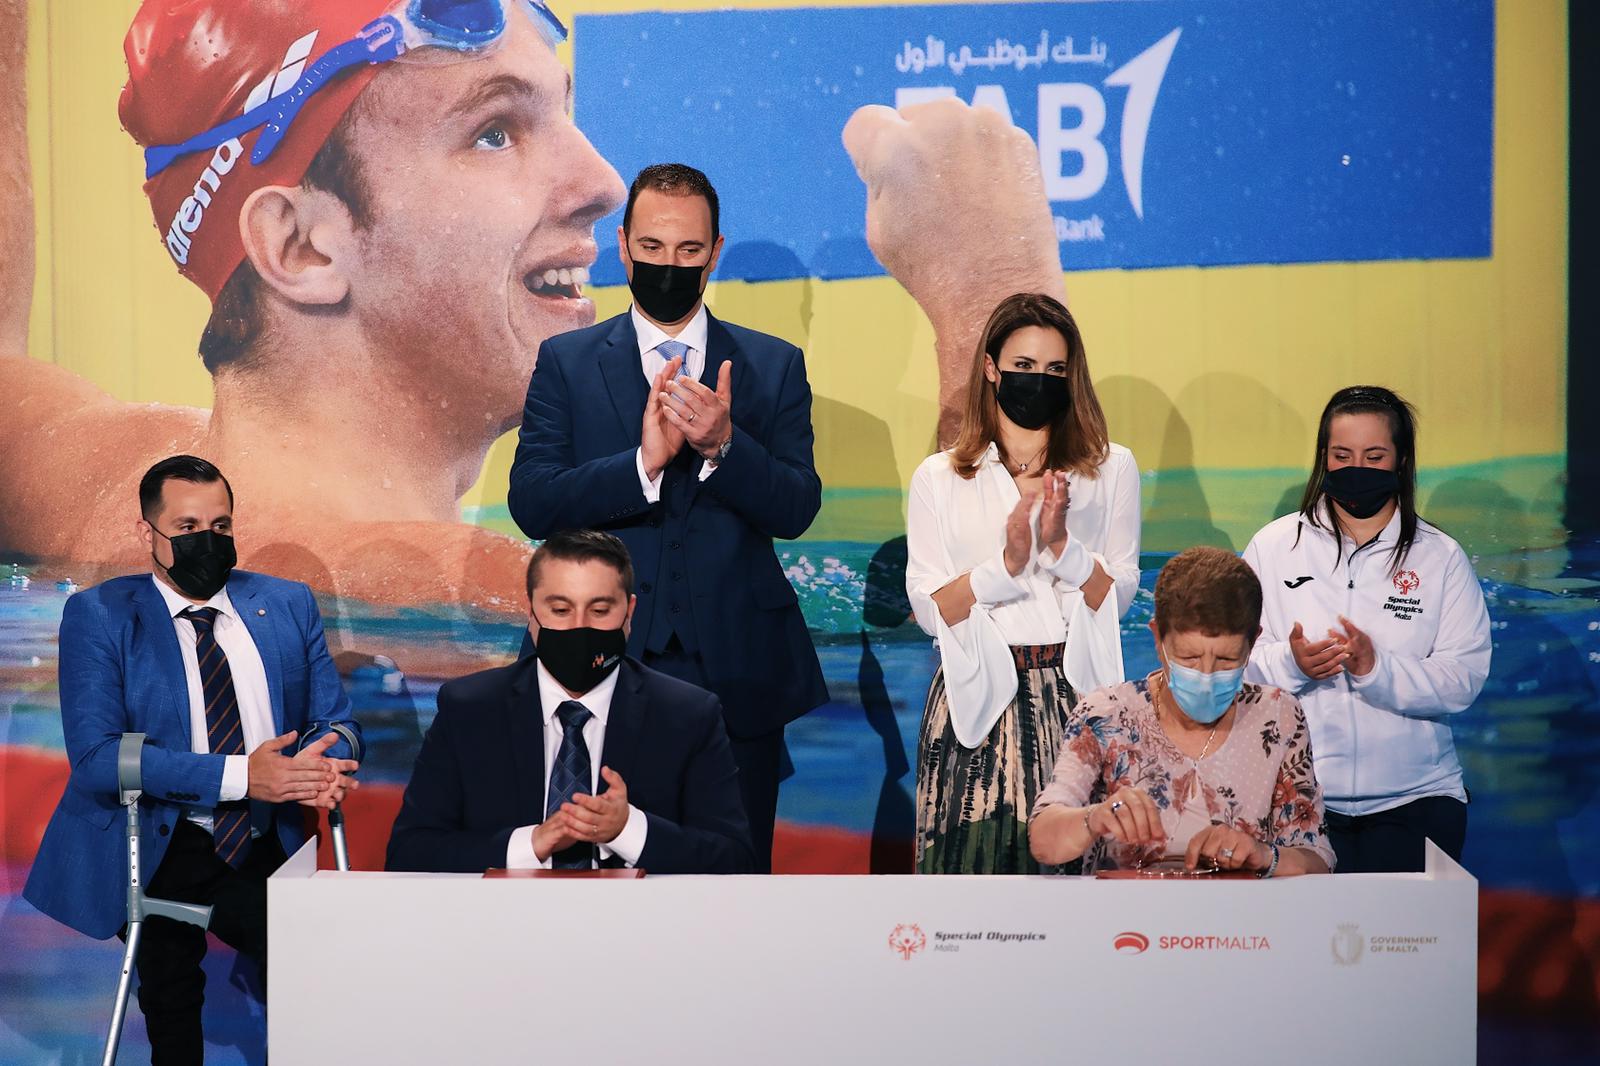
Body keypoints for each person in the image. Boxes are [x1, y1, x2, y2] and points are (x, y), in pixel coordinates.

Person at [0, 0, 1074, 613]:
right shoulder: (445, 589)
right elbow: (1015, 648)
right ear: (302, 245)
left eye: (563, 113)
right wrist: (993, 286)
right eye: (495, 131)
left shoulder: (92, 471)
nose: (605, 180)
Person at [507, 164, 827, 873]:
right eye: (652, 248)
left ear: (715, 252)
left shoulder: (773, 368)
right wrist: (642, 467)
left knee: (732, 885)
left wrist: (725, 446)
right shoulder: (566, 361)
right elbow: (532, 500)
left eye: (688, 252)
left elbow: (798, 507)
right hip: (597, 669)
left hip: (739, 678)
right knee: (595, 889)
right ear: (622, 246)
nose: (669, 266)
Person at [23, 455, 361, 1065]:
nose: (209, 540)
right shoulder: (101, 614)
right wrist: (243, 775)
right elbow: (98, 759)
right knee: (173, 1007)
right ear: (146, 533)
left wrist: (328, 759)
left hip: (263, 837)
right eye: (186, 528)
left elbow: (337, 721)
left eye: (222, 525)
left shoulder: (286, 603)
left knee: (322, 975)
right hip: (157, 836)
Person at [905, 292, 1140, 874]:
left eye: (1056, 370)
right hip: (975, 704)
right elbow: (931, 608)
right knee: (968, 888)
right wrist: (1003, 570)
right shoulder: (940, 477)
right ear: (991, 368)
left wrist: (1061, 550)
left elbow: (1120, 594)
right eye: (1025, 368)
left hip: (1076, 699)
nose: (1040, 381)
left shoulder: (1111, 469)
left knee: (1078, 891)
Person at [386, 530, 754, 874]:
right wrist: (531, 845)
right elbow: (410, 853)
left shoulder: (687, 714)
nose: (580, 627)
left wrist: (627, 830)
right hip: (502, 927)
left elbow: (736, 861)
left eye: (599, 610)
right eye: (560, 611)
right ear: (531, 613)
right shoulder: (469, 708)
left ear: (629, 613)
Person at [1242, 386, 1491, 872]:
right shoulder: (1273, 547)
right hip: (1296, 800)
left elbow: (1463, 678)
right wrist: (1289, 664)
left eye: (1374, 456)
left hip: (1417, 801)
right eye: (1342, 455)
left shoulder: (1439, 557)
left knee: (1409, 947)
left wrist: (1377, 670)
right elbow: (1231, 662)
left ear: (1400, 461)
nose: (1357, 467)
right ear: (1323, 458)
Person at [1030, 547, 1335, 877]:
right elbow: (1045, 841)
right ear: (1158, 638)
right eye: (1189, 658)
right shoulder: (1106, 714)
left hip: (1242, 922)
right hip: (1123, 922)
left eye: (1226, 660)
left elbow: (1316, 859)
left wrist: (1264, 855)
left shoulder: (1277, 716)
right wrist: (1095, 818)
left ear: (1252, 643)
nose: (1206, 675)